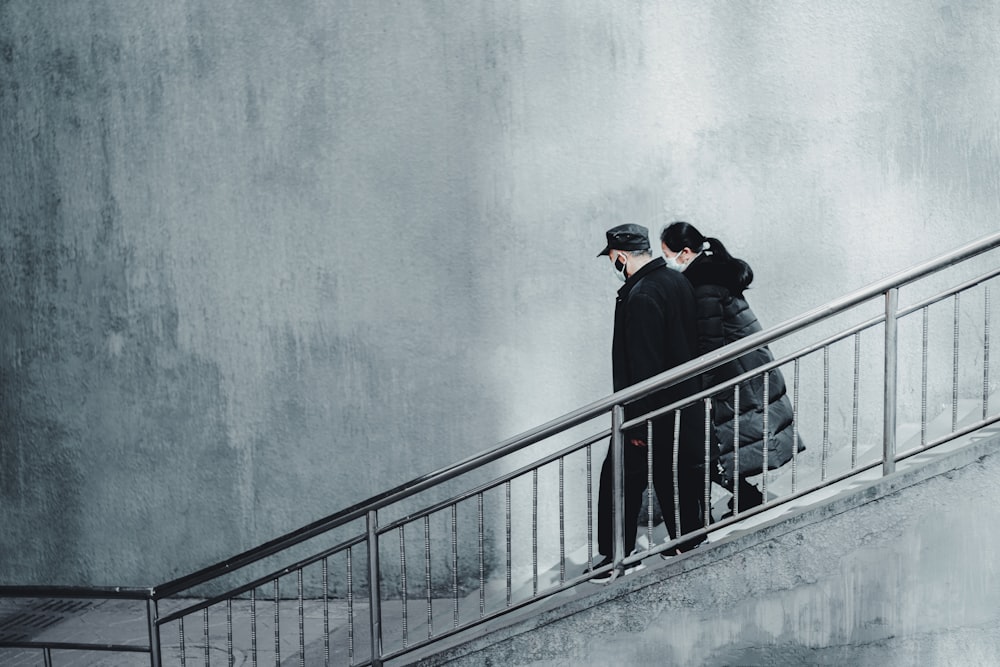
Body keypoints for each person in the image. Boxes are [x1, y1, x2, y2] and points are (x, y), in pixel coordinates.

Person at [588, 223, 707, 581]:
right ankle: (689, 538)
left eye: (612, 257)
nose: (613, 263)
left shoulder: (641, 296)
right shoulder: (675, 282)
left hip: (648, 411)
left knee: (619, 479)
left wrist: (638, 421)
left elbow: (644, 364)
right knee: (674, 472)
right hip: (681, 403)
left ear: (620, 257)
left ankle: (616, 557)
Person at [660, 221, 804, 516]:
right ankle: (746, 496)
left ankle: (745, 497)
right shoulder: (712, 273)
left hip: (735, 375)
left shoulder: (703, 286)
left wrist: (700, 387)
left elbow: (711, 342)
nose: (667, 262)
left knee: (709, 444)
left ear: (685, 253)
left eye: (667, 254)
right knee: (719, 443)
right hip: (744, 370)